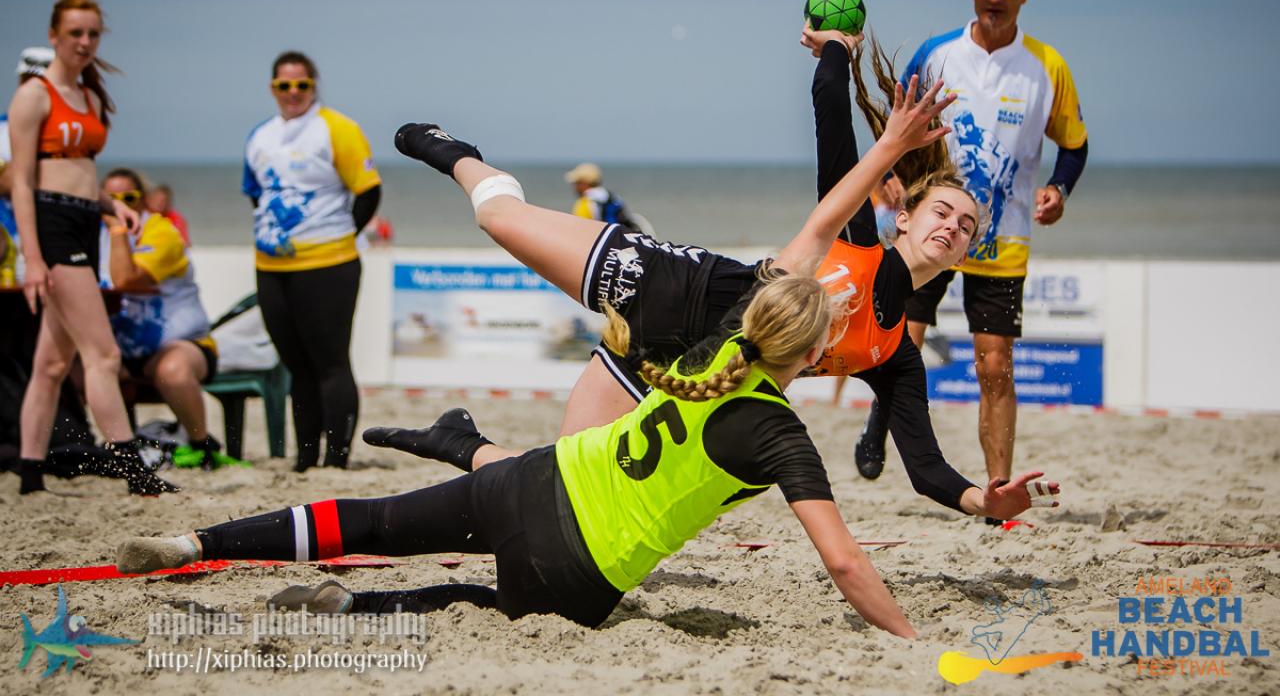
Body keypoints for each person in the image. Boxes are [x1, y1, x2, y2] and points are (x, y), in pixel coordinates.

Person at [117, 270, 1054, 633]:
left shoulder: (711, 351)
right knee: (475, 598)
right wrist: (910, 641)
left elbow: (787, 279)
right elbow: (846, 562)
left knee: (366, 520)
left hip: (534, 481)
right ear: (812, 358)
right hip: (576, 567)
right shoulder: (779, 431)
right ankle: (356, 604)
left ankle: (199, 548)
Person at [386, 50, 1059, 522]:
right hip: (671, 287)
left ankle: (459, 442)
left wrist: (982, 500)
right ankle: (456, 153)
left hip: (679, 375)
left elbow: (927, 469)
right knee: (499, 217)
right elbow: (832, 112)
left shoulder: (892, 353)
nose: (952, 226)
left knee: (560, 488)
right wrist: (835, 49)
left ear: (969, 252)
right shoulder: (855, 235)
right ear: (904, 216)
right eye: (941, 211)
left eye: (966, 225)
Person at [853, 0, 1089, 491]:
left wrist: (1059, 189)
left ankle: (1000, 487)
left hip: (1001, 237)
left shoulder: (1047, 67)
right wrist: (886, 177)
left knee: (995, 365)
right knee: (901, 341)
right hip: (929, 229)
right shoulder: (937, 54)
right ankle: (879, 421)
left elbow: (1074, 144)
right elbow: (896, 119)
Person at [6, 0, 176, 496]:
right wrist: (31, 258)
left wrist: (111, 206)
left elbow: (80, 175)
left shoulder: (91, 96)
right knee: (101, 356)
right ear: (54, 36)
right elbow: (22, 183)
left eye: (92, 34)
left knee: (51, 364)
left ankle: (29, 471)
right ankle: (133, 469)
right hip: (52, 227)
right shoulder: (34, 96)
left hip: (84, 220)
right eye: (75, 33)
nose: (84, 42)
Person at [242, 51, 382, 471]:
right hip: (272, 268)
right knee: (295, 366)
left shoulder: (336, 128)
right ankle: (304, 459)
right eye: (284, 86)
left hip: (329, 264)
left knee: (332, 362)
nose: (293, 93)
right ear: (273, 89)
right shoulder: (260, 136)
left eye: (301, 85)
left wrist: (335, 238)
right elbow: (255, 192)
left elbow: (368, 192)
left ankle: (336, 460)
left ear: (313, 86)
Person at [98, 168, 235, 469]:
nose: (120, 203)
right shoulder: (94, 234)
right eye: (111, 198)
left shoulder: (161, 232)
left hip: (182, 341)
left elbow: (123, 279)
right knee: (81, 368)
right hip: (120, 345)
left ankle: (201, 445)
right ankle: (109, 448)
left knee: (171, 369)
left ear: (144, 200)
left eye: (129, 197)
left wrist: (116, 228)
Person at [2, 48, 55, 287]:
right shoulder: (2, 130)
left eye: (43, 83)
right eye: (28, 81)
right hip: (8, 238)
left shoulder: (65, 131)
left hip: (53, 235)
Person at [564, 162, 653, 235]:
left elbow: (579, 232)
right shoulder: (613, 197)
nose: (574, 187)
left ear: (584, 183)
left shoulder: (585, 202)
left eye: (576, 183)